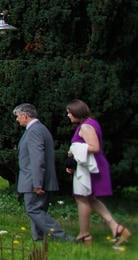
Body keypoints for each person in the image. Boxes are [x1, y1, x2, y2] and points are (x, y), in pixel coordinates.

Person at [64, 99, 129, 245]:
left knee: (82, 198)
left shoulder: (86, 127)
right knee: (90, 198)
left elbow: (94, 147)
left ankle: (84, 234)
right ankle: (115, 227)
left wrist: (73, 149)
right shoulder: (89, 123)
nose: (68, 115)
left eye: (69, 112)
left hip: (92, 168)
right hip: (90, 165)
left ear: (77, 112)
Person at [14, 103, 71, 243]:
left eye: (17, 117)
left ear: (25, 116)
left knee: (33, 209)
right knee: (38, 209)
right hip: (39, 178)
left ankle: (62, 236)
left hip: (34, 179)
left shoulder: (34, 131)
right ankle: (38, 237)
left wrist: (37, 183)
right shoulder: (41, 129)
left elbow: (37, 159)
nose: (17, 120)